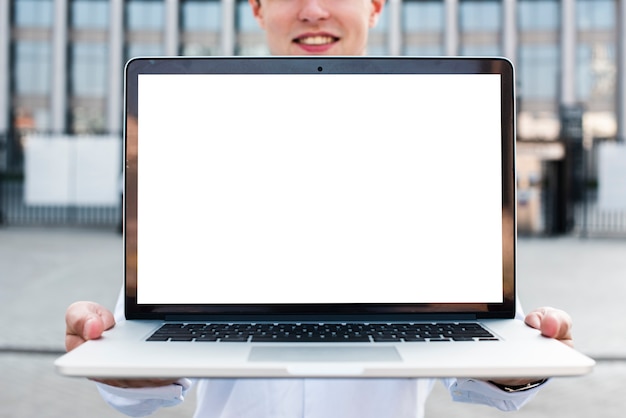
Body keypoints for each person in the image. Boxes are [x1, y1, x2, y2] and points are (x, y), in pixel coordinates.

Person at [65, 0, 576, 416]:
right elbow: (144, 370)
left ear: (375, 6)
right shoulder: (191, 138)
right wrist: (120, 365)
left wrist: (522, 364)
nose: (312, 10)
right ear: (257, 8)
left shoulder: (439, 140)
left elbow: (489, 357)